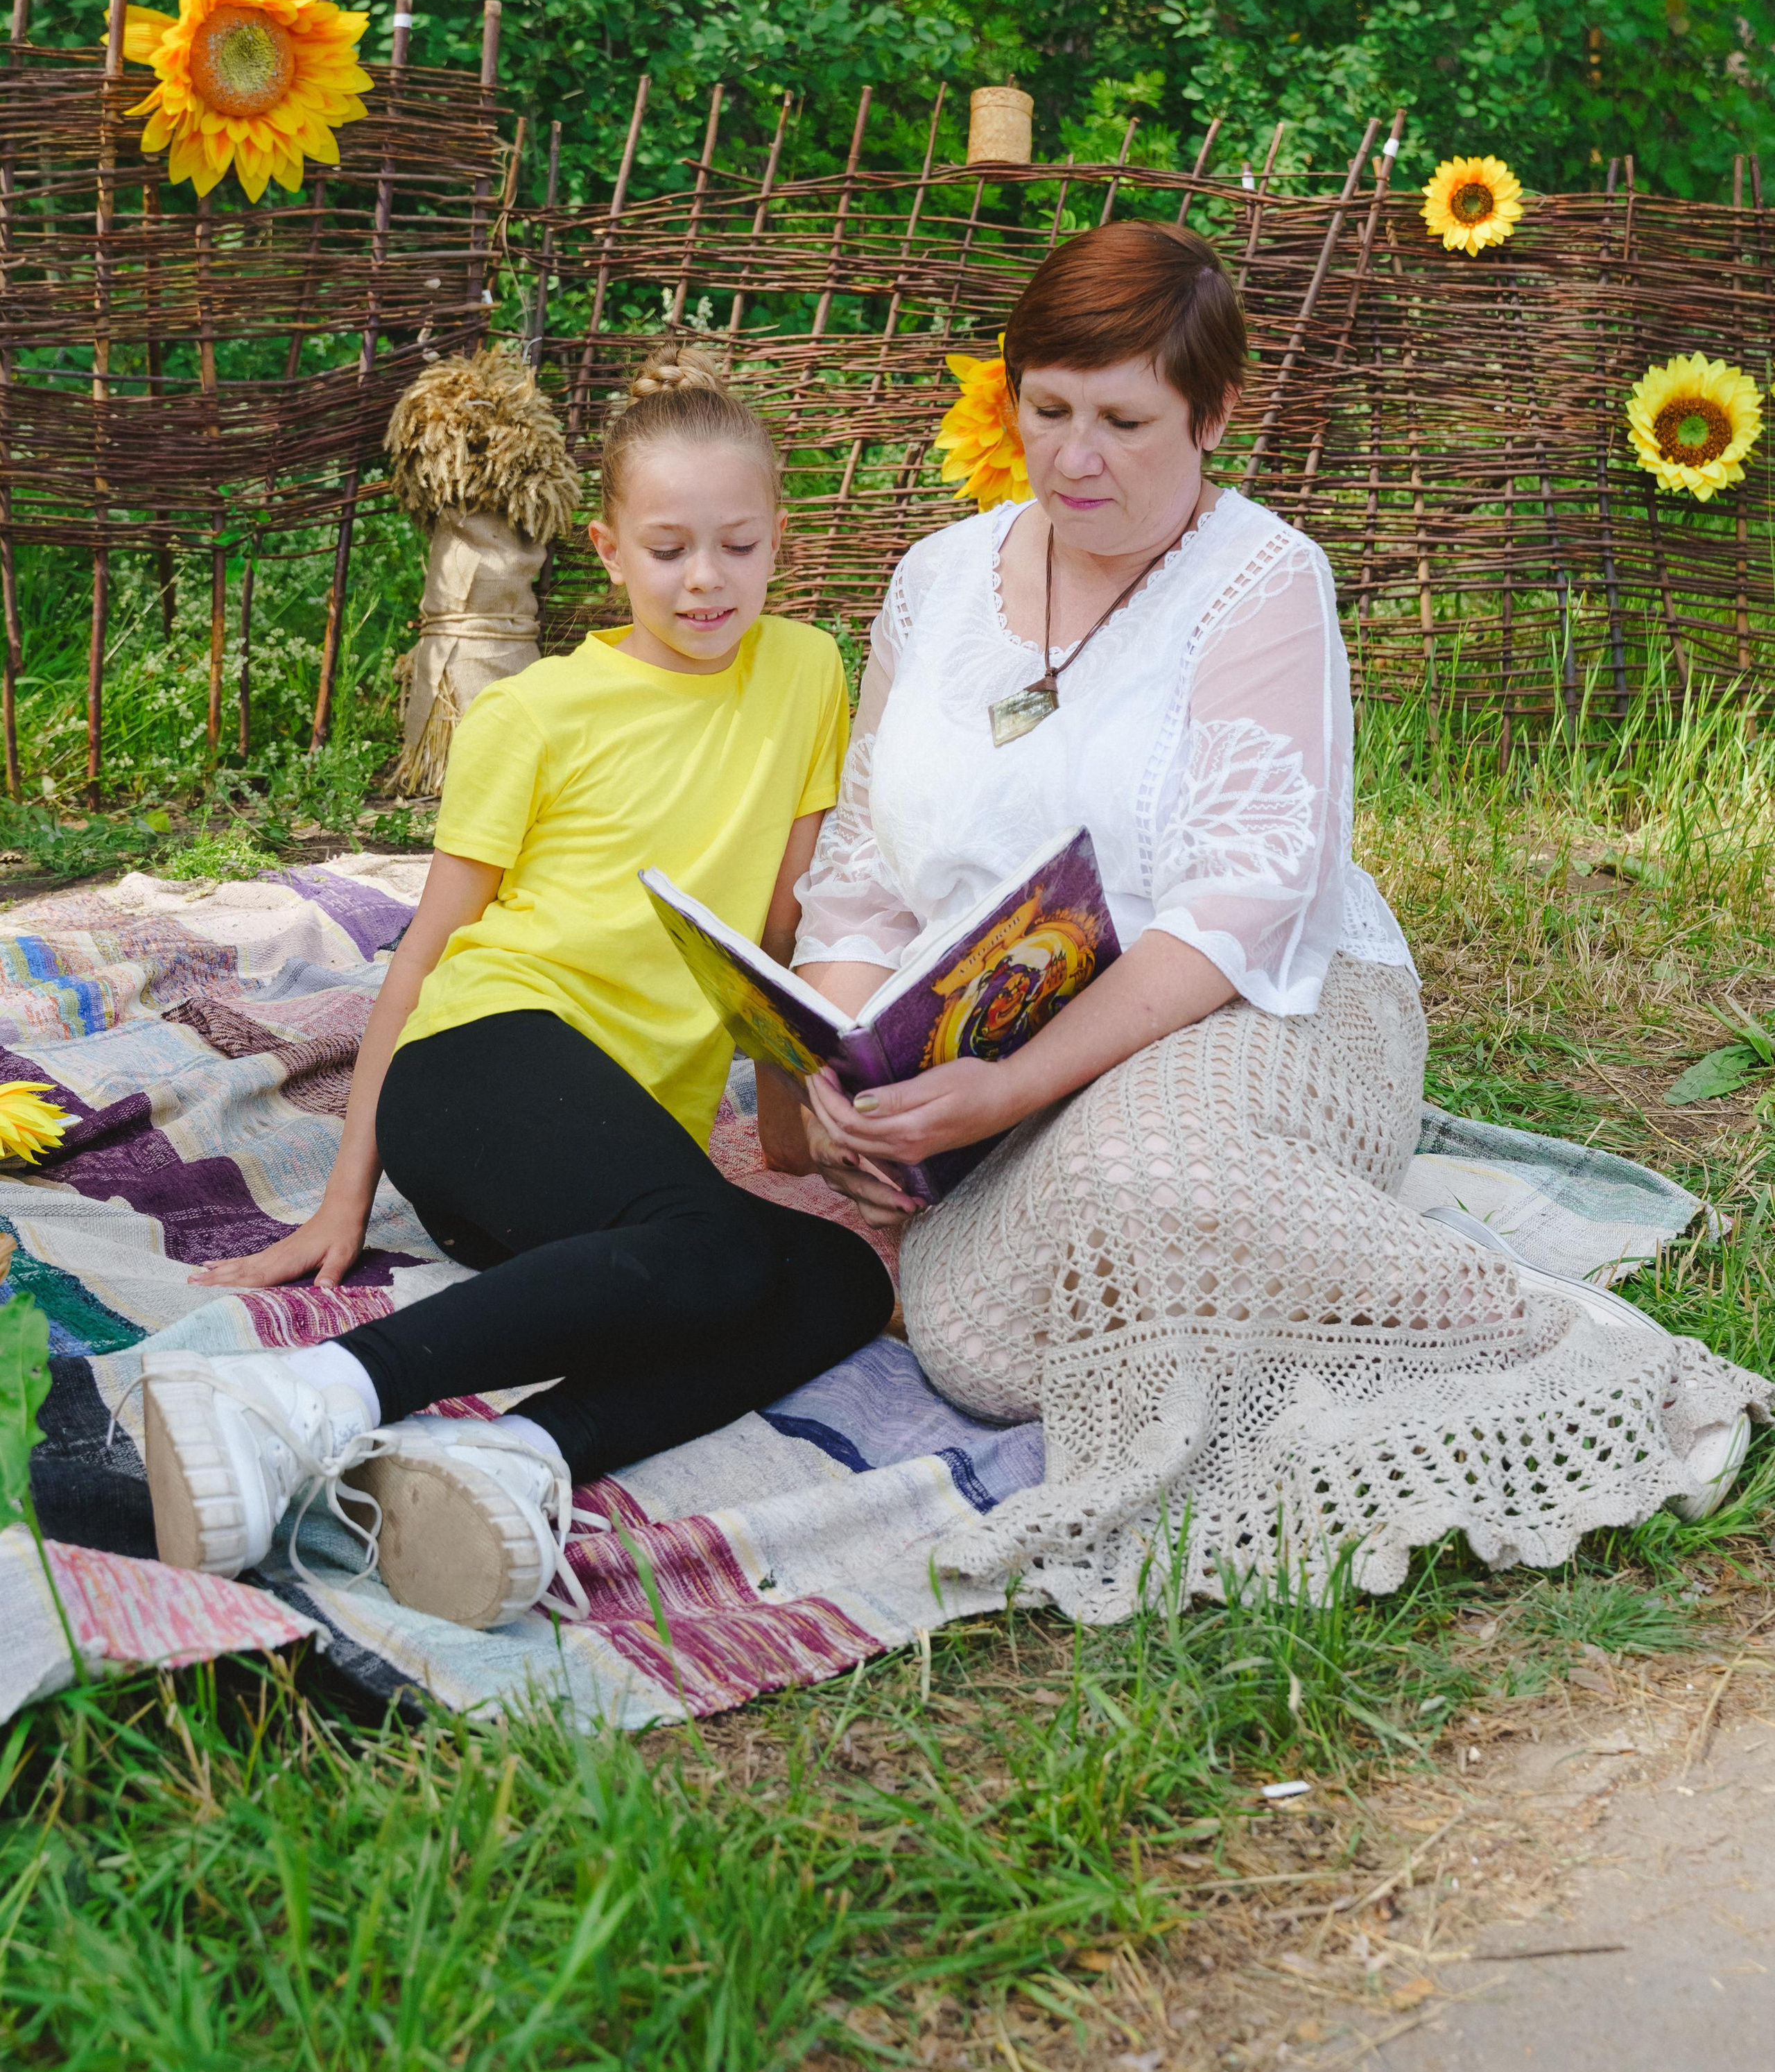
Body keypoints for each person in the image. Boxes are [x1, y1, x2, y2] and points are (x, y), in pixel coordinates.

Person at [790, 220, 1766, 1622]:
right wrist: (845, 1057)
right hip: (994, 1019)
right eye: (1047, 411)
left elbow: (1244, 905)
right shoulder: (935, 585)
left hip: (1261, 1000)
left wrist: (1007, 1087)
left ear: (1210, 417)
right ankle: (1205, 1270)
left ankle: (1563, 1351)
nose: (1075, 458)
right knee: (981, 1342)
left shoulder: (1260, 581)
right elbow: (862, 871)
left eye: (1124, 421)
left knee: (1134, 1195)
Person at [139, 351, 894, 1629]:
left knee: (838, 1281)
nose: (705, 578)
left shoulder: (810, 671)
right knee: (712, 1247)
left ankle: (512, 1458)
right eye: (667, 549)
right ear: (606, 549)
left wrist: (783, 1123)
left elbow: (776, 923)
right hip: (481, 1060)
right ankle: (301, 1400)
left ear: (781, 542)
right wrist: (345, 1197)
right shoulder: (535, 717)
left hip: (613, 1182)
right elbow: (427, 954)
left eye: (738, 545)